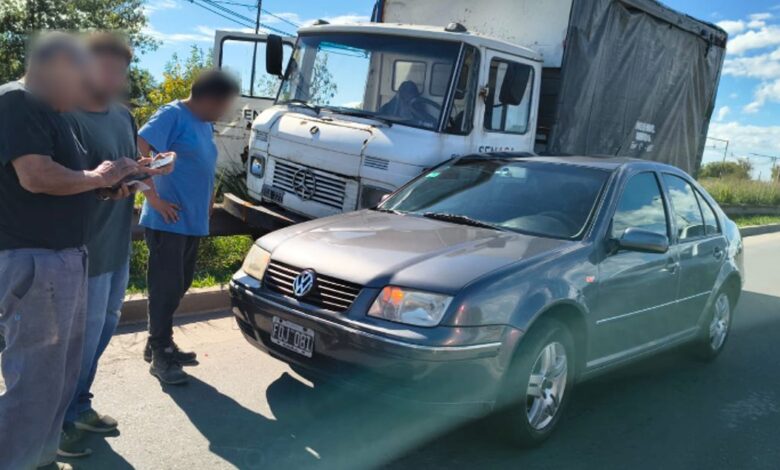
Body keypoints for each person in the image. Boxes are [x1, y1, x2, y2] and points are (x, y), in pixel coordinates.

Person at [0, 32, 142, 470]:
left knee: (56, 376)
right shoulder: (17, 102)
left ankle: (39, 457)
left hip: (62, 258)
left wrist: (106, 190)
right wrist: (100, 178)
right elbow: (37, 177)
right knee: (36, 378)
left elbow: (70, 183)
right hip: (36, 259)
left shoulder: (50, 113)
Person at [58, 33, 174, 459]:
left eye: (119, 70)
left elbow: (123, 169)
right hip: (77, 250)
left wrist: (145, 173)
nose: (112, 77)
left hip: (115, 245)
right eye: (104, 67)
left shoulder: (122, 116)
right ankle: (58, 423)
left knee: (104, 330)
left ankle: (79, 405)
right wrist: (104, 186)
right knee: (75, 342)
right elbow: (61, 180)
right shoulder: (63, 114)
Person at [138, 70, 238, 385]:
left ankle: (158, 342)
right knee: (165, 286)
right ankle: (160, 353)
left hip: (192, 219)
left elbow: (203, 164)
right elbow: (138, 147)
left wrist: (209, 199)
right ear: (209, 99)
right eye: (223, 104)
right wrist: (153, 198)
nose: (225, 111)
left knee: (180, 283)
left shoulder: (204, 123)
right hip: (167, 218)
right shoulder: (172, 114)